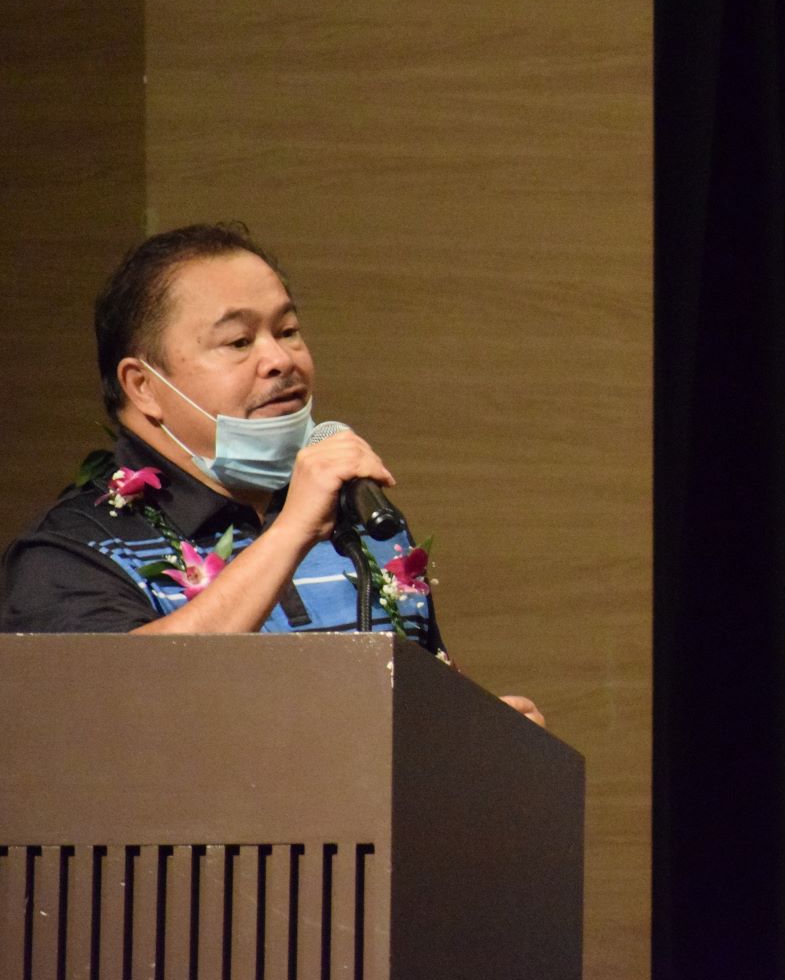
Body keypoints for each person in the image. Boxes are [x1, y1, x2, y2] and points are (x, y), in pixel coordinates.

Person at [0, 222, 544, 726]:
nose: (280, 359)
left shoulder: (357, 521)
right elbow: (119, 708)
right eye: (239, 342)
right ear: (144, 387)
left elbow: (397, 730)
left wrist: (476, 737)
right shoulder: (72, 551)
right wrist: (290, 534)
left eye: (287, 331)